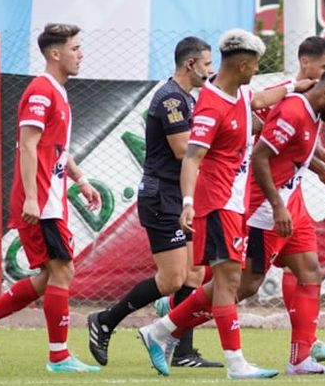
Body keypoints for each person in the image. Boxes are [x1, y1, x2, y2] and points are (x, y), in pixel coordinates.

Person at [136, 29, 304, 380]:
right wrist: (187, 203)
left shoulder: (239, 92)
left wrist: (295, 86)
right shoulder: (210, 105)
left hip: (234, 202)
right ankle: (235, 363)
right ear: (243, 65)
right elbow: (191, 158)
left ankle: (159, 331)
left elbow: (258, 100)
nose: (257, 71)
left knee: (221, 282)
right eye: (256, 65)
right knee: (228, 281)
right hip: (216, 202)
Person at [0, 23, 102, 373]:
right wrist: (33, 199)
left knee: (49, 276)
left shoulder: (58, 92)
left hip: (52, 197)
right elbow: (26, 144)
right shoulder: (41, 91)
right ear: (55, 53)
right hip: (40, 200)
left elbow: (57, 149)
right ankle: (59, 356)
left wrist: (80, 179)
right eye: (75, 48)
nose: (80, 54)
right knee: (62, 271)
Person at [85, 37, 222, 368]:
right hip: (163, 197)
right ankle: (105, 320)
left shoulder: (187, 98)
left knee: (194, 274)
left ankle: (183, 352)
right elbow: (183, 150)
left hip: (179, 196)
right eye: (206, 63)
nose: (211, 69)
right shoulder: (172, 99)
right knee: (173, 279)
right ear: (190, 64)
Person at [244, 63, 325, 375]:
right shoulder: (292, 105)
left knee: (310, 270)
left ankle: (301, 359)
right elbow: (261, 155)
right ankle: (169, 325)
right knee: (245, 285)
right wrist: (277, 204)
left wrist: (323, 167)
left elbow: (297, 151)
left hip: (288, 201)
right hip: (265, 207)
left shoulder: (310, 109)